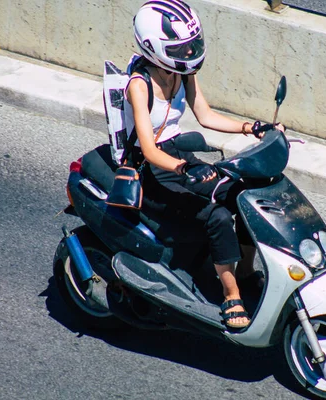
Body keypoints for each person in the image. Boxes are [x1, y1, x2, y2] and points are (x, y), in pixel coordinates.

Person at [125, 0, 284, 329]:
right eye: (180, 48)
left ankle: (245, 269)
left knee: (242, 193)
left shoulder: (183, 74)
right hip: (153, 170)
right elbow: (150, 150)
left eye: (190, 46)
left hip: (180, 154)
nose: (188, 54)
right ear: (154, 47)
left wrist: (250, 127)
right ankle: (231, 294)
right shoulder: (139, 86)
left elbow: (206, 115)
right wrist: (186, 169)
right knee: (217, 215)